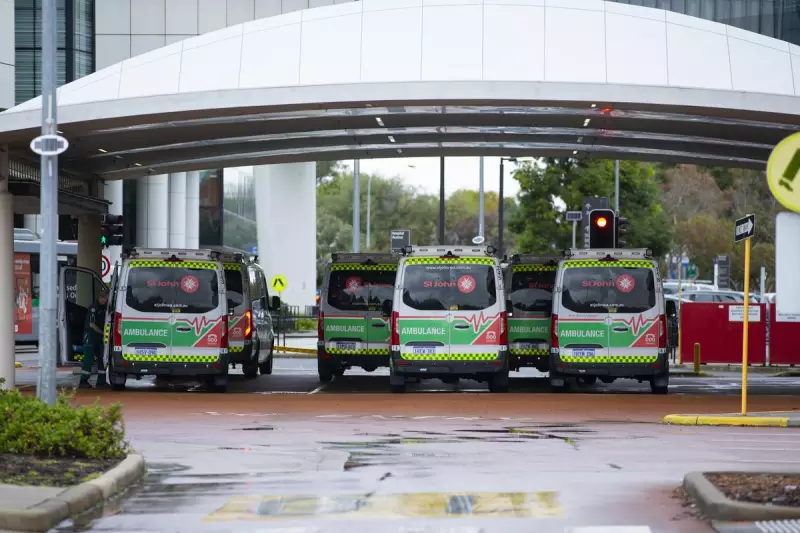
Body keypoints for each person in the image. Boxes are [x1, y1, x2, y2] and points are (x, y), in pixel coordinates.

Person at [79, 291, 109, 389]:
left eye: (106, 298)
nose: (105, 300)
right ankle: (83, 380)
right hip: (90, 337)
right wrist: (103, 333)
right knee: (88, 359)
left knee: (101, 358)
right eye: (104, 298)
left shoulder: (104, 308)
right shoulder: (93, 308)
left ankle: (101, 381)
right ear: (100, 297)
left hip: (99, 338)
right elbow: (92, 324)